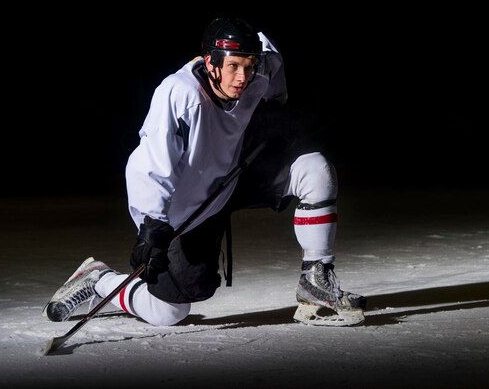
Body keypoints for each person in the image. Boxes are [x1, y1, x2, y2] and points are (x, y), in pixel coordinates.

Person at [43, 17, 366, 327]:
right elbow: (151, 164)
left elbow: (268, 57)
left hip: (233, 178)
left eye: (249, 67)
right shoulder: (180, 94)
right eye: (233, 67)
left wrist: (275, 107)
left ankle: (315, 279)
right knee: (169, 312)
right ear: (210, 61)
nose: (242, 77)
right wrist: (151, 223)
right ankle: (100, 279)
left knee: (315, 168)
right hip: (184, 211)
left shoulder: (256, 75)